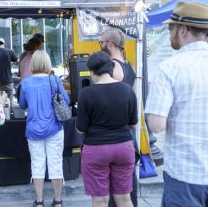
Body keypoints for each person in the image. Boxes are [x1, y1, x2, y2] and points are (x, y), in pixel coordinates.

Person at [145, 1, 208, 207]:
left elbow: (156, 124)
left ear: (184, 29)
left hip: (185, 174)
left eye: (171, 28)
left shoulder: (170, 68)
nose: (170, 33)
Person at [76, 51, 137, 207]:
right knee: (124, 198)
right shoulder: (127, 90)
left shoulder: (87, 94)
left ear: (93, 71)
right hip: (124, 148)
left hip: (96, 150)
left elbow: (80, 130)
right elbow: (133, 124)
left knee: (100, 200)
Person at [18, 50, 69, 207]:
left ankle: (39, 202)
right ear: (47, 63)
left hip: (33, 130)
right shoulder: (54, 80)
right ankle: (58, 201)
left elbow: (22, 105)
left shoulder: (25, 82)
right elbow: (66, 100)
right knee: (55, 164)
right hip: (54, 128)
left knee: (37, 164)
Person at [99, 28, 138, 207]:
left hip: (116, 132)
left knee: (115, 186)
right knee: (128, 183)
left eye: (102, 43)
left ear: (111, 44)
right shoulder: (130, 65)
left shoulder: (113, 67)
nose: (99, 46)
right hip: (128, 131)